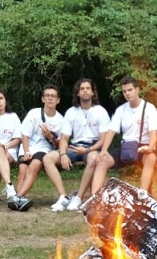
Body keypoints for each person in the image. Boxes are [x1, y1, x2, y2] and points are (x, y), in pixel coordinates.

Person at [45, 78, 110, 212]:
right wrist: (63, 154)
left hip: (93, 146)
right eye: (82, 89)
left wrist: (87, 149)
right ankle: (63, 197)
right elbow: (64, 138)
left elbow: (103, 140)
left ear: (93, 93)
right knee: (48, 158)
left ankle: (78, 198)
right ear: (78, 93)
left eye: (88, 88)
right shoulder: (71, 112)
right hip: (74, 147)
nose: (85, 91)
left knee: (92, 158)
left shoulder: (100, 111)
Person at [92, 76, 157, 195]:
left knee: (151, 157)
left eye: (130, 90)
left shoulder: (149, 108)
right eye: (124, 91)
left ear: (137, 90)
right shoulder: (121, 110)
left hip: (143, 146)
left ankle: (143, 196)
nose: (127, 94)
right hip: (126, 146)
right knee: (102, 159)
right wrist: (104, 150)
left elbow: (153, 133)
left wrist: (150, 147)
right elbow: (111, 131)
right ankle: (95, 198)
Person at [9, 84, 64, 212]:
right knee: (23, 169)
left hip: (44, 148)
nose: (50, 98)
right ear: (43, 99)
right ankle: (21, 199)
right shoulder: (34, 113)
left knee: (33, 167)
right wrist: (27, 151)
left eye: (53, 96)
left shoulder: (61, 120)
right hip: (28, 146)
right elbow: (25, 134)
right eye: (47, 96)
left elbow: (59, 143)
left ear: (58, 100)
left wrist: (50, 136)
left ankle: (17, 197)